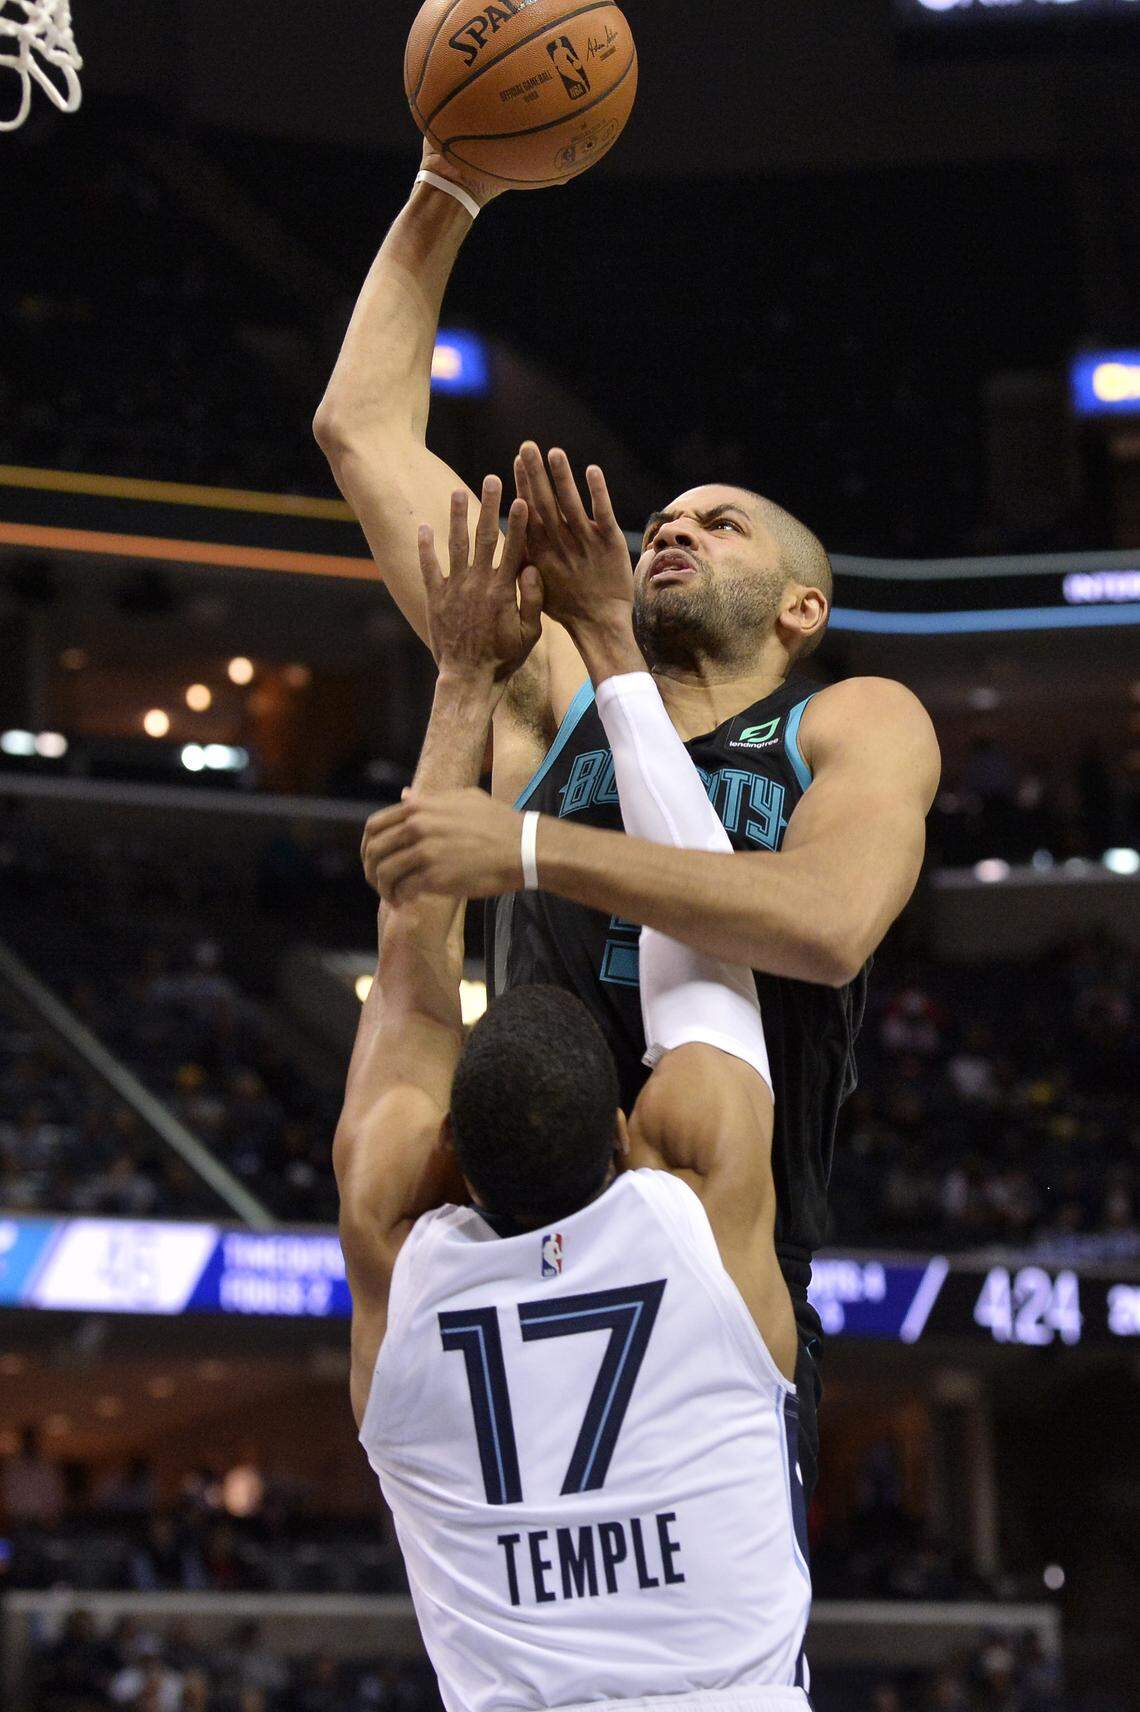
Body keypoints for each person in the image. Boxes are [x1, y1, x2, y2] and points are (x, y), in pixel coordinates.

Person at [314, 146, 942, 1503]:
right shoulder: (548, 685)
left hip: (722, 1250)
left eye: (722, 525)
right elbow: (360, 429)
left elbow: (830, 926)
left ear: (803, 608)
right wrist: (447, 186)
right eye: (663, 519)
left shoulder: (850, 722)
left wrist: (526, 849)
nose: (675, 530)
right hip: (509, 1231)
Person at [337, 477, 813, 1712]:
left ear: (451, 1156)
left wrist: (466, 679)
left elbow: (407, 994)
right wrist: (589, 638)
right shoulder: (691, 1226)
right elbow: (696, 929)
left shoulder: (413, 1259)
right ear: (623, 1131)